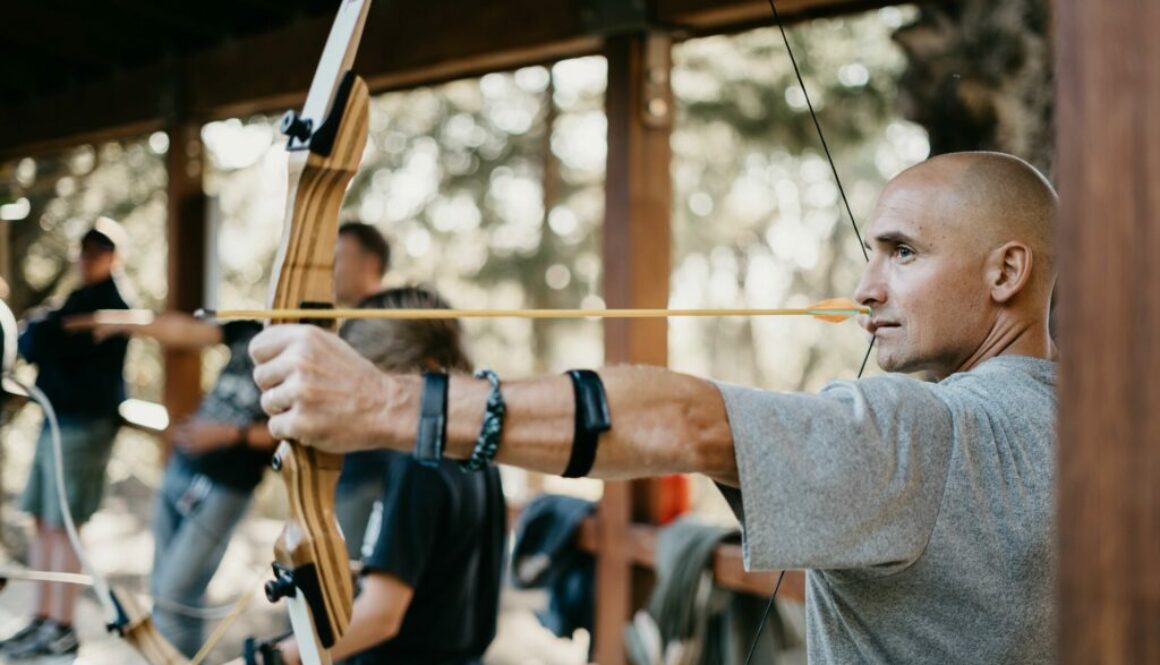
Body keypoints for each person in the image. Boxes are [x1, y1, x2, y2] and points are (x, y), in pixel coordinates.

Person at [249, 152, 1060, 664]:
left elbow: (688, 422)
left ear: (1006, 272)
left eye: (903, 252)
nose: (864, 288)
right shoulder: (1098, 433)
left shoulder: (923, 432)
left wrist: (385, 402)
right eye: (869, 252)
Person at [251, 286, 506, 665]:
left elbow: (380, 616)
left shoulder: (421, 462)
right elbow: (436, 571)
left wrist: (273, 658)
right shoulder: (476, 448)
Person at [63, 310, 277, 656]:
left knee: (177, 596)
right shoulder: (251, 328)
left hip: (228, 484)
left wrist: (227, 433)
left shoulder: (308, 343)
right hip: (184, 466)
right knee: (163, 591)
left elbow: (294, 431)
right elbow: (184, 331)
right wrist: (122, 321)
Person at [3, 219, 132, 659]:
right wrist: (50, 332)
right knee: (42, 520)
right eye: (83, 251)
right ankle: (41, 618)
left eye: (96, 252)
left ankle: (61, 624)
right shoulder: (77, 301)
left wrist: (51, 332)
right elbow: (37, 340)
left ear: (113, 257)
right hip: (56, 421)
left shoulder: (112, 307)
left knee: (65, 526)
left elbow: (49, 340)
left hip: (83, 428)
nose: (86, 259)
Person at [331, 221, 394, 560]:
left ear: (370, 263)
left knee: (337, 581)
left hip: (369, 476)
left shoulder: (388, 317)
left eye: (338, 257)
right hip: (351, 474)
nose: (330, 269)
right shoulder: (359, 320)